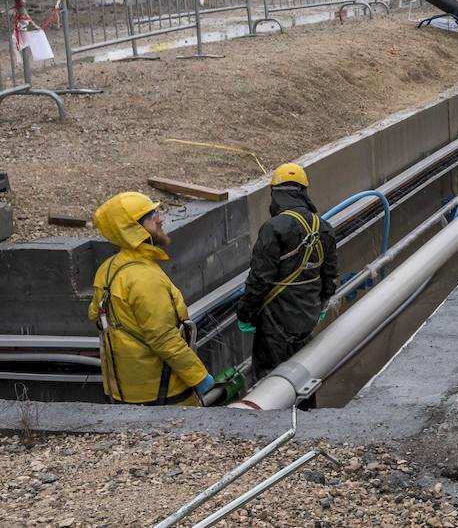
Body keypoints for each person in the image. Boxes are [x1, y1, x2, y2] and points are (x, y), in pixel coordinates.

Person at [89, 192, 216, 406]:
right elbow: (164, 339)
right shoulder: (144, 278)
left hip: (123, 392)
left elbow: (95, 315)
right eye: (150, 217)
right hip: (163, 393)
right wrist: (199, 377)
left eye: (156, 212)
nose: (160, 219)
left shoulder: (108, 269)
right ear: (132, 230)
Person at [236, 163, 338, 384]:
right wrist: (321, 305)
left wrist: (245, 313)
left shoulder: (273, 228)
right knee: (304, 379)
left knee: (271, 384)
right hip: (306, 321)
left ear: (275, 194)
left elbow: (260, 279)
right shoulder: (324, 227)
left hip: (275, 326)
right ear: (303, 192)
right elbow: (330, 277)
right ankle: (306, 416)